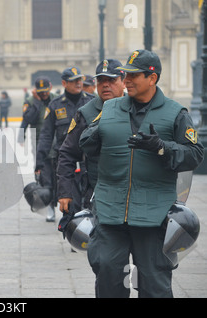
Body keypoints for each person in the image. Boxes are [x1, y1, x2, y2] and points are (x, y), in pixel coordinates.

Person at [79, 49, 204, 298]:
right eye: (126, 75)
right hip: (109, 210)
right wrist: (97, 132)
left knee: (154, 284)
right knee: (107, 272)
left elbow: (195, 154)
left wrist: (162, 148)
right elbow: (85, 143)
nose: (126, 81)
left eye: (134, 76)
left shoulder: (175, 113)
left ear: (152, 77)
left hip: (153, 214)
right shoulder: (111, 108)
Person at [57, 59, 125, 217]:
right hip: (98, 193)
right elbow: (67, 153)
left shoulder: (137, 107)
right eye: (101, 80)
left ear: (124, 81)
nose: (106, 85)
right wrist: (65, 192)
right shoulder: (86, 113)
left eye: (112, 80)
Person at [35, 68, 94, 222]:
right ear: (64, 83)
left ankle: (87, 239)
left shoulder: (92, 102)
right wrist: (39, 161)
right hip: (65, 162)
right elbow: (46, 135)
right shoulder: (55, 105)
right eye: (74, 80)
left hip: (89, 161)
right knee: (70, 204)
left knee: (89, 203)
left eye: (79, 80)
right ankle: (74, 239)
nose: (78, 83)